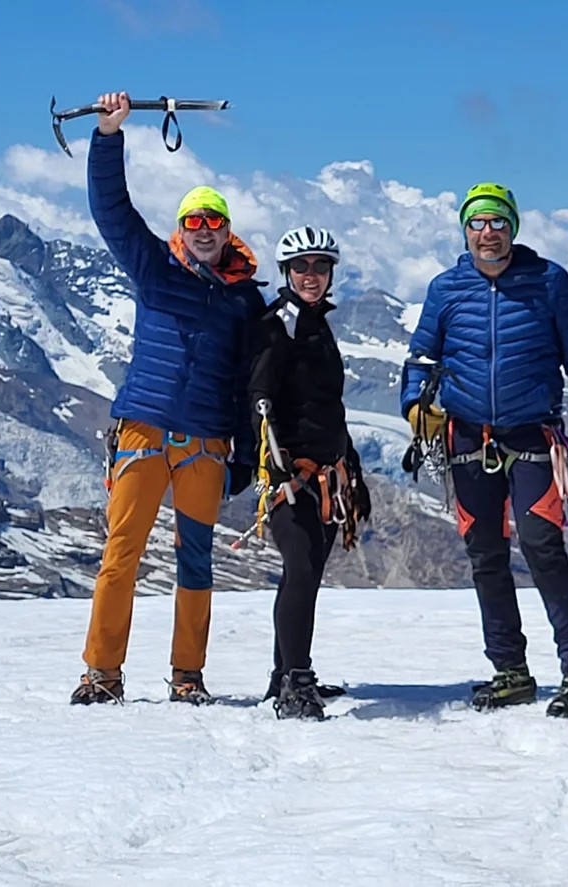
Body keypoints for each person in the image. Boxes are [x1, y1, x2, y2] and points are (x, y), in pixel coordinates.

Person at [401, 183, 568, 720]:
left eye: (498, 221)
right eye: (477, 222)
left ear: (513, 228)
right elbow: (421, 358)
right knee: (485, 554)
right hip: (466, 437)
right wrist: (414, 404)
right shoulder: (447, 288)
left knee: (543, 546)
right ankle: (510, 671)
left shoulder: (549, 282)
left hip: (532, 437)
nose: (488, 232)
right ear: (465, 230)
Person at [71, 92, 265, 706]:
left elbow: (247, 383)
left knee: (197, 563)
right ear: (180, 228)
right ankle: (101, 673)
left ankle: (189, 676)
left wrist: (244, 453)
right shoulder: (154, 268)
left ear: (228, 231)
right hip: (143, 432)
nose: (203, 231)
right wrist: (108, 136)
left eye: (214, 222)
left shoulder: (245, 302)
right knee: (119, 556)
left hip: (207, 441)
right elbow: (112, 211)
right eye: (193, 222)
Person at [241, 225, 371, 720]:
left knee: (307, 573)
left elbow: (326, 405)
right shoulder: (279, 325)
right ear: (286, 272)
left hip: (325, 472)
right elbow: (261, 394)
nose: (311, 274)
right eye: (302, 267)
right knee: (300, 570)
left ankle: (286, 673)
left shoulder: (315, 324)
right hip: (291, 475)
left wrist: (348, 459)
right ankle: (296, 681)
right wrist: (275, 458)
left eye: (319, 266)